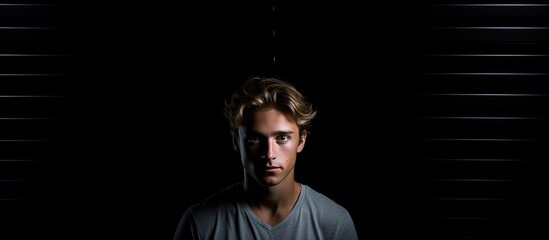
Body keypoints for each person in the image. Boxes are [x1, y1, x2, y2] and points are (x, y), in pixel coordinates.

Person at [174, 76, 358, 240]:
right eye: (255, 138)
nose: (269, 154)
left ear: (301, 141)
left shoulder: (335, 223)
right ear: (236, 141)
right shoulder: (200, 223)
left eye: (282, 138)